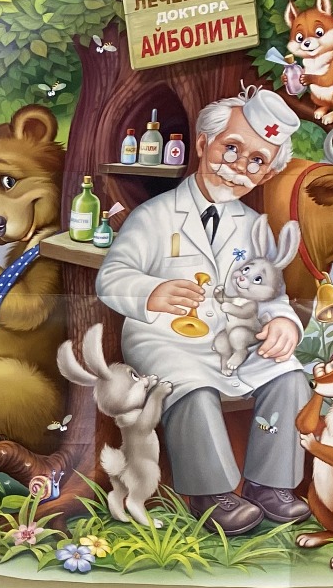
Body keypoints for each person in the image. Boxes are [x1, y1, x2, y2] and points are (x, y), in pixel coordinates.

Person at [95, 87, 309, 534]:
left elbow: (269, 291)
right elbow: (111, 278)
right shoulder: (154, 216)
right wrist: (152, 291)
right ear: (202, 143)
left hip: (232, 339)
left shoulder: (252, 227)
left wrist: (283, 321)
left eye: (257, 160)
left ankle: (270, 484)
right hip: (165, 339)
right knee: (191, 387)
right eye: (231, 148)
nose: (239, 165)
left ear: (268, 174)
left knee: (289, 375)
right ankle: (212, 494)